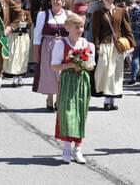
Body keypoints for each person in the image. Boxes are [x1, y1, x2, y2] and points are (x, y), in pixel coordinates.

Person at [51, 13, 95, 164]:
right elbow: (54, 65)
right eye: (77, 27)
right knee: (67, 113)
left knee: (81, 113)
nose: (80, 30)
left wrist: (83, 65)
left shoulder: (87, 44)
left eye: (82, 26)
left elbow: (92, 65)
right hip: (68, 81)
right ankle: (66, 148)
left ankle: (78, 149)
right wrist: (70, 65)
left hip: (82, 81)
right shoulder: (61, 44)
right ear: (68, 27)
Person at [92, 0, 135, 110]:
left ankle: (111, 100)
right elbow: (95, 33)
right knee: (104, 71)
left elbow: (127, 29)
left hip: (117, 46)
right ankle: (106, 98)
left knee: (115, 72)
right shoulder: (98, 13)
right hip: (104, 46)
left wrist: (132, 45)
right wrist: (97, 47)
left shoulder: (121, 12)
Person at [33, 0, 72, 110]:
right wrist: (36, 53)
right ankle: (50, 97)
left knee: (62, 73)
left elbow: (73, 32)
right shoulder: (42, 15)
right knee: (49, 73)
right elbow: (37, 35)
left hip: (63, 47)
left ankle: (59, 99)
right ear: (50, 2)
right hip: (47, 47)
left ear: (63, 2)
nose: (56, 1)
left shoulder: (68, 14)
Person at [3, 0, 32, 86]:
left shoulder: (26, 12)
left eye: (19, 2)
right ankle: (14, 76)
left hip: (23, 36)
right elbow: (7, 23)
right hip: (13, 36)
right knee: (13, 55)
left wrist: (24, 24)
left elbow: (30, 23)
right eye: (15, 2)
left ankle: (20, 76)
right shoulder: (10, 13)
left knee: (22, 55)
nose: (17, 4)